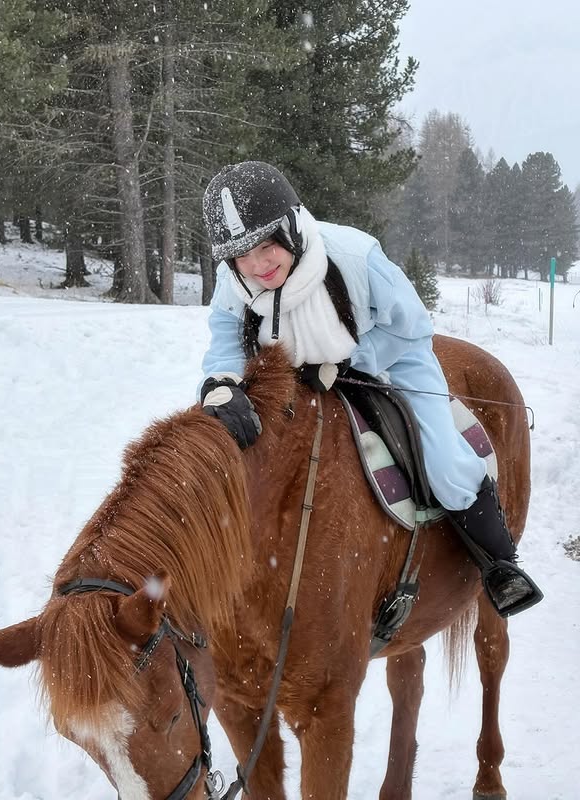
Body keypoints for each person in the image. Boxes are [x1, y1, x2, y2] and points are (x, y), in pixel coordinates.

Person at [198, 160, 542, 618]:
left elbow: (412, 329)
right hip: (290, 377)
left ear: (292, 228)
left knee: (442, 462)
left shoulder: (355, 257)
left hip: (390, 359)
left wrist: (346, 362)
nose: (258, 265)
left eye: (266, 246)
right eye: (242, 255)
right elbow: (224, 338)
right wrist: (221, 385)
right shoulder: (233, 281)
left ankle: (500, 563)